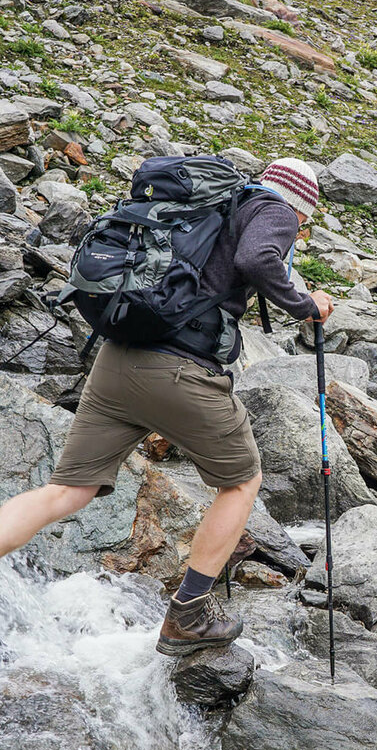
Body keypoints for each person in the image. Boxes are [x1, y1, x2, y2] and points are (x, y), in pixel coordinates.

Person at [0, 157, 333, 655]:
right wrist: (306, 305)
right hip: (179, 370)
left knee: (65, 491)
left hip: (116, 359)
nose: (298, 229)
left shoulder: (211, 207)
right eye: (303, 222)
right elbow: (256, 259)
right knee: (242, 482)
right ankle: (188, 614)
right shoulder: (275, 208)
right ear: (300, 205)